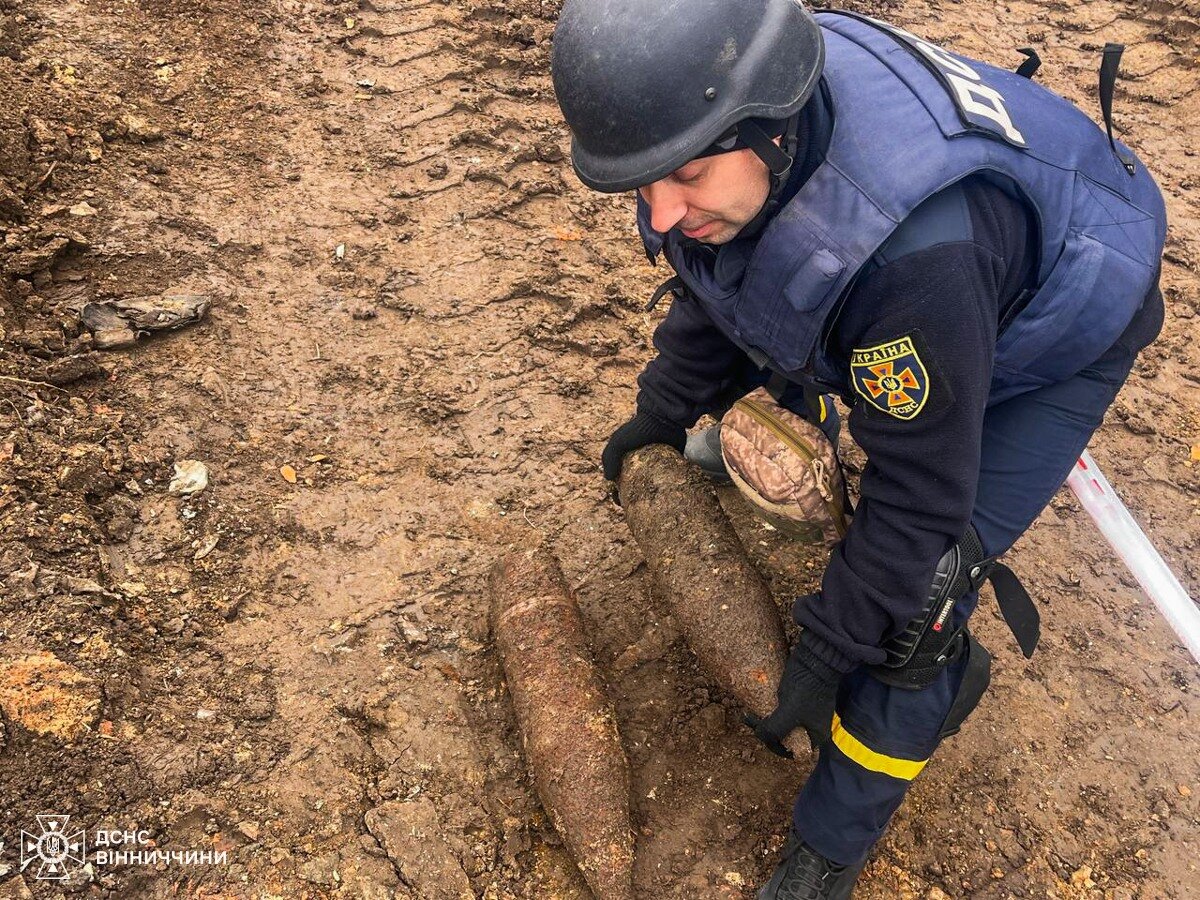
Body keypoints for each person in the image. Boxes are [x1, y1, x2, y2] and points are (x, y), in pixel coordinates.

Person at [550, 0, 1167, 896]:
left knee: (916, 602)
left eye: (684, 175)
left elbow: (917, 503)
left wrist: (829, 647)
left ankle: (833, 844)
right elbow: (718, 288)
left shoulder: (916, 266)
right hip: (934, 289)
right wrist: (665, 408)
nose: (663, 211)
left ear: (769, 129)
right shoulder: (721, 117)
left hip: (1067, 307)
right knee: (793, 329)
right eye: (641, 186)